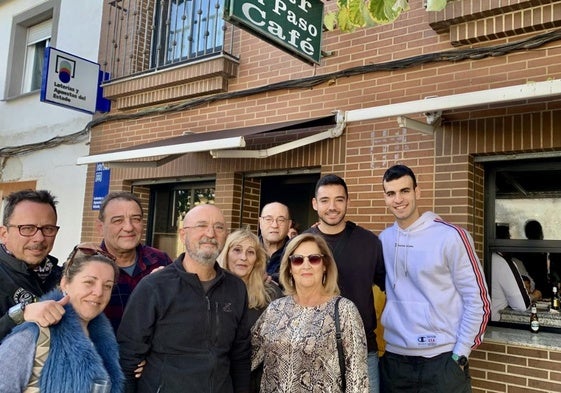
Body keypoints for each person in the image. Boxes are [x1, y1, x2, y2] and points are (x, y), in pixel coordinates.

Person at [379, 164, 491, 393]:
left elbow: (478, 299)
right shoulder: (384, 240)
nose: (398, 199)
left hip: (442, 361)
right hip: (395, 362)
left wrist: (460, 355)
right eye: (391, 193)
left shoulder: (450, 236)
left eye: (405, 191)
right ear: (385, 198)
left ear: (417, 192)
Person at [118, 204, 251, 393]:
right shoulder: (154, 287)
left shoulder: (236, 288)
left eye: (219, 227)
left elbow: (240, 356)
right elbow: (127, 359)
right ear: (183, 234)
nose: (211, 233)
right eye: (201, 225)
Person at [252, 233, 368, 392]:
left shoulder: (344, 310)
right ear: (290, 268)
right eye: (298, 260)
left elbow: (358, 381)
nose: (306, 265)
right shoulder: (275, 309)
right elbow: (247, 356)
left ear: (325, 265)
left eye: (314, 259)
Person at [0, 243, 123, 392]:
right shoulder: (32, 335)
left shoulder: (105, 340)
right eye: (89, 282)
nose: (98, 292)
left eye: (107, 286)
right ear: (65, 283)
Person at [303, 174, 385, 393]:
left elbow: (392, 288)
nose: (332, 207)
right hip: (313, 352)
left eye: (339, 200)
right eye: (325, 200)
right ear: (314, 203)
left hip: (363, 350)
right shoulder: (302, 245)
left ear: (348, 202)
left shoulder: (369, 242)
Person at [218, 227, 283, 393]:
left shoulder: (271, 295)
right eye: (237, 250)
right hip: (219, 380)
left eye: (250, 252)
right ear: (225, 254)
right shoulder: (211, 291)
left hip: (258, 382)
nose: (243, 258)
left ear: (257, 259)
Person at [96, 191, 172, 331]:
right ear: (101, 227)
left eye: (136, 219)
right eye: (118, 220)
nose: (129, 227)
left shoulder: (161, 261)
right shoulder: (87, 265)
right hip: (104, 352)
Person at [0, 190, 67, 341]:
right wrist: (20, 315)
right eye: (27, 228)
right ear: (4, 234)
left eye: (48, 229)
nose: (39, 238)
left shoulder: (59, 275)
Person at [491, 251, 531, 321]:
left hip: (476, 321)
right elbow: (522, 305)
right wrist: (534, 296)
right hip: (497, 323)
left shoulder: (482, 257)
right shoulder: (503, 262)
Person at [258, 202, 292, 282]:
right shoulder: (248, 251)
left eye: (281, 220)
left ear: (289, 225)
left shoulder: (296, 253)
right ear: (260, 222)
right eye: (268, 219)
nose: (274, 225)